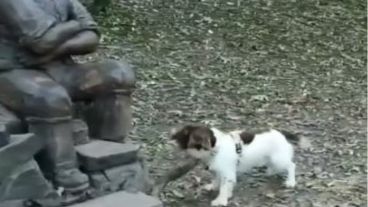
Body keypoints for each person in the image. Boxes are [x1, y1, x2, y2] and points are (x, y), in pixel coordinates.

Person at [0, 0, 135, 193]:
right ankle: (61, 173)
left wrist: (55, 50)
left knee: (118, 74)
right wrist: (75, 24)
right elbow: (39, 41)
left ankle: (111, 150)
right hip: (13, 71)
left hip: (60, 68)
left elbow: (92, 36)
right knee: (50, 98)